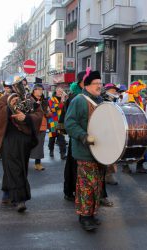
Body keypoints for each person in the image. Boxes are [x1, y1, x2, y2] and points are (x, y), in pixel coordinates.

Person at [0, 76, 43, 213]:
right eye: (18, 85)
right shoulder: (5, 98)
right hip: (9, 137)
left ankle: (7, 193)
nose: (22, 87)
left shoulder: (29, 99)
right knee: (14, 167)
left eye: (23, 84)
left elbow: (39, 114)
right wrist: (9, 108)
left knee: (20, 167)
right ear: (12, 87)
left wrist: (26, 117)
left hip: (24, 138)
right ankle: (20, 199)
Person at [65, 69, 104, 231]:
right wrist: (83, 136)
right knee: (86, 184)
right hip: (84, 151)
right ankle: (84, 216)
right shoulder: (79, 101)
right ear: (87, 85)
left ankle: (92, 213)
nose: (99, 86)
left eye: (100, 84)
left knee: (96, 185)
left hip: (100, 151)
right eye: (96, 84)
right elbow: (70, 123)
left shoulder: (100, 100)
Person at [59, 71, 85, 201]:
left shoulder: (89, 95)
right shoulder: (74, 97)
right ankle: (71, 190)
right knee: (73, 164)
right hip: (77, 135)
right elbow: (68, 118)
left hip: (88, 135)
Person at [121, 80, 147, 174]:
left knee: (141, 144)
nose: (140, 90)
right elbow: (122, 108)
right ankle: (125, 165)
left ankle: (140, 165)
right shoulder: (126, 96)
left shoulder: (139, 98)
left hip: (140, 123)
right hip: (130, 123)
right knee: (128, 145)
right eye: (138, 88)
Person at [102, 83, 120, 185]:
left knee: (113, 153)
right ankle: (106, 174)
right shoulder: (103, 100)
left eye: (115, 90)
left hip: (114, 130)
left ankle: (109, 174)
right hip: (106, 131)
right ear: (107, 91)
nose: (115, 92)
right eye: (113, 90)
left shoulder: (115, 101)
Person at [30, 83, 50, 171]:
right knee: (27, 144)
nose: (41, 91)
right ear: (34, 90)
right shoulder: (29, 99)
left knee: (39, 145)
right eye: (39, 89)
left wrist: (48, 112)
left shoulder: (44, 100)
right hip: (31, 125)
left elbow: (49, 113)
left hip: (42, 125)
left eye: (42, 90)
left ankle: (37, 163)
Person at [47, 87, 67, 159]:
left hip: (61, 121)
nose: (60, 92)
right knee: (52, 137)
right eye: (59, 91)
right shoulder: (51, 99)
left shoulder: (64, 99)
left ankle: (62, 154)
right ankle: (51, 150)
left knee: (61, 137)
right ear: (56, 91)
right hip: (53, 121)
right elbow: (53, 109)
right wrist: (62, 101)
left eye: (61, 91)